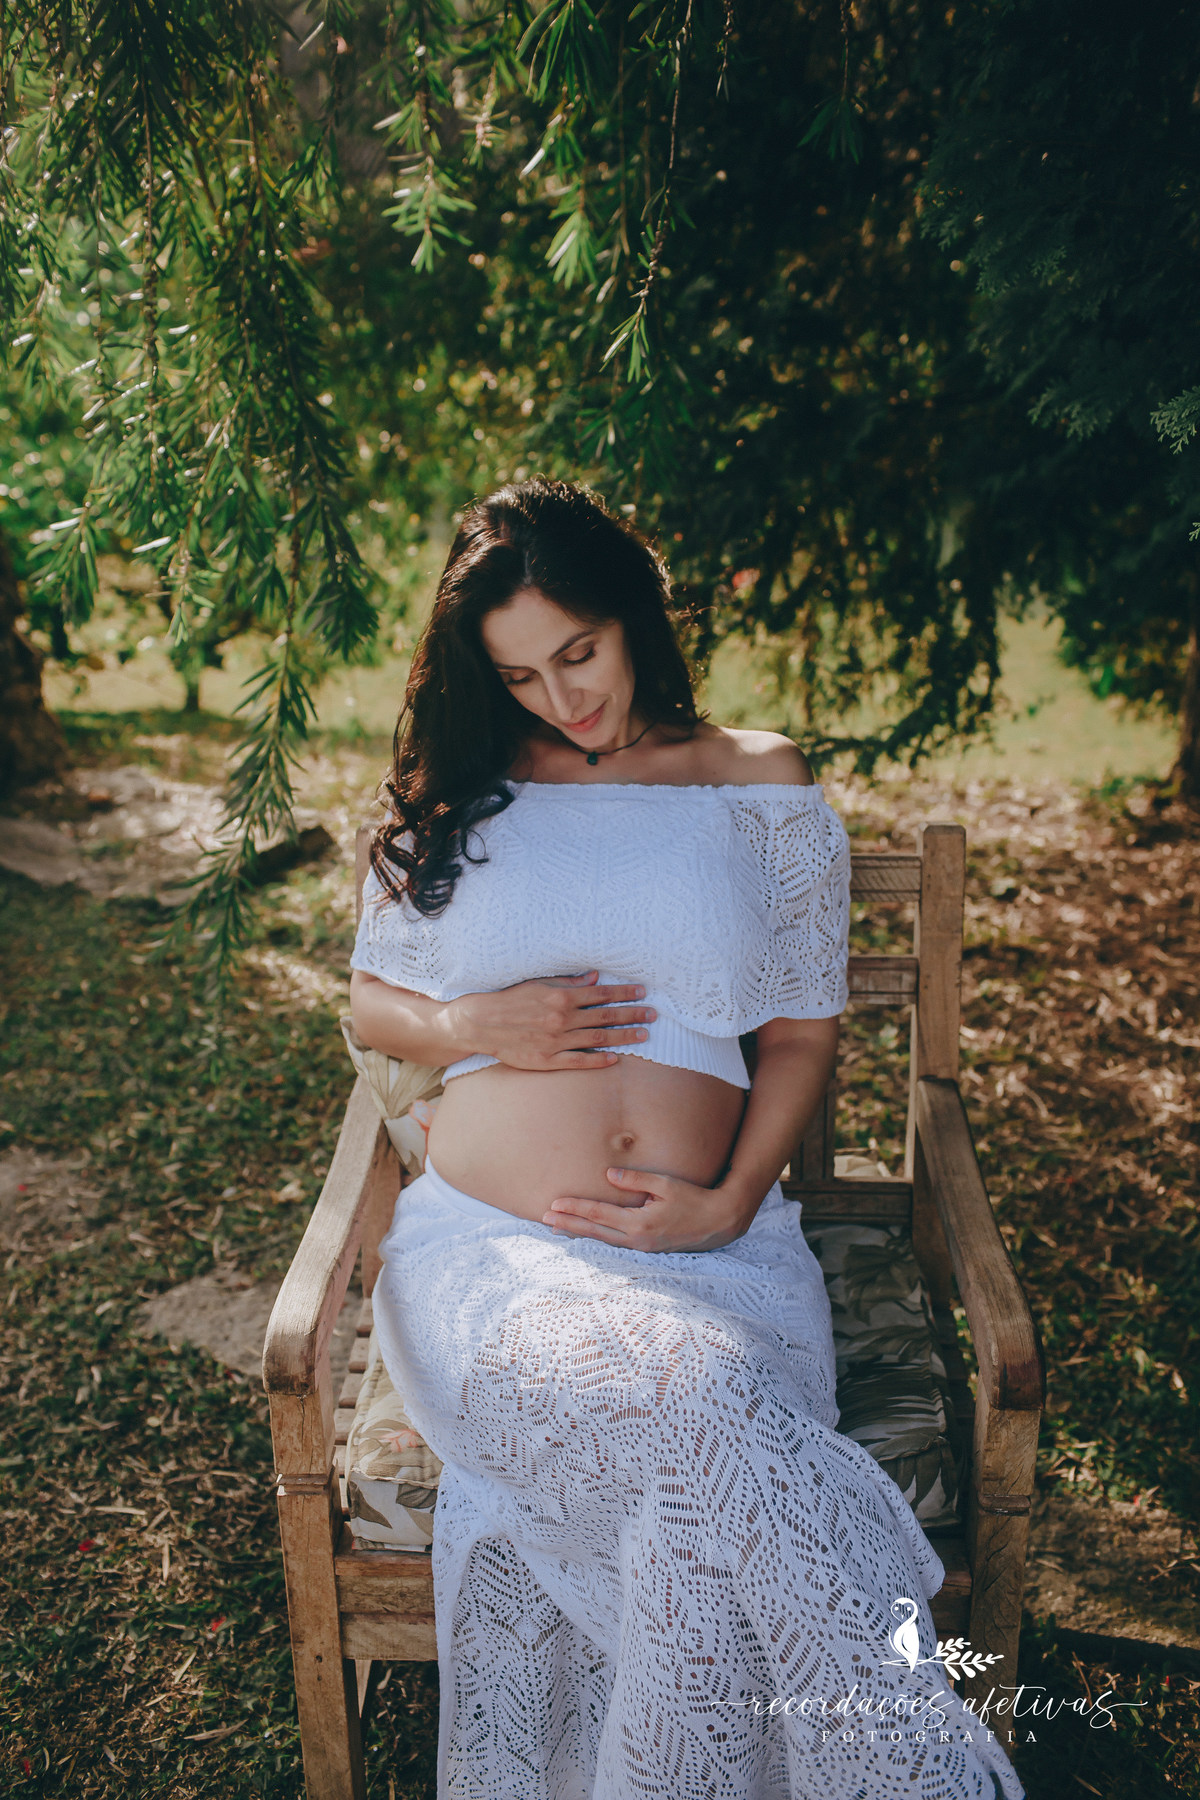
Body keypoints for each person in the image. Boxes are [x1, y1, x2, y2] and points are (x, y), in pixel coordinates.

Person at [349, 477, 1022, 1800]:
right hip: (490, 1259)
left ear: (634, 612)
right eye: (522, 673)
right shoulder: (470, 786)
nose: (561, 695)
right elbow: (373, 999)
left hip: (715, 1259)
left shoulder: (755, 779)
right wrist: (471, 1015)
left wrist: (725, 1207)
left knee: (693, 1449)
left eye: (579, 652)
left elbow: (800, 1039)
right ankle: (914, 1769)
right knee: (697, 1413)